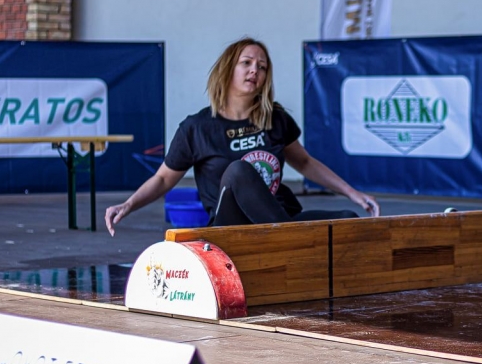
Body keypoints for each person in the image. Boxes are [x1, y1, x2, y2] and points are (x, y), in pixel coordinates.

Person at [105, 38, 379, 235]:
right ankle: (291, 239)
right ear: (228, 70)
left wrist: (353, 194)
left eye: (262, 67)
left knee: (347, 219)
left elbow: (305, 163)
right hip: (231, 226)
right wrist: (128, 204)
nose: (254, 71)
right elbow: (164, 178)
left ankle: (287, 237)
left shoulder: (275, 118)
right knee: (239, 171)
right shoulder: (197, 127)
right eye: (246, 63)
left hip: (280, 217)